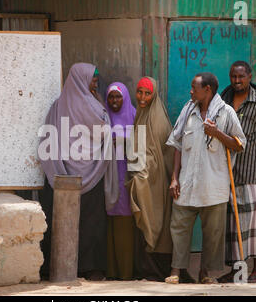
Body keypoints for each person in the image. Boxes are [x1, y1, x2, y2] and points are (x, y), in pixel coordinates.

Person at [38, 63, 119, 281]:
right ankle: (90, 268)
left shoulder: (57, 107)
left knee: (65, 219)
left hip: (61, 175)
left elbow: (47, 139)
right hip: (92, 173)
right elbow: (103, 133)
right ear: (81, 80)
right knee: (90, 221)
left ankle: (54, 267)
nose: (96, 82)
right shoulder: (94, 107)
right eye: (93, 78)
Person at [165, 72, 246, 284]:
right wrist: (174, 178)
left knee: (213, 234)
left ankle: (207, 274)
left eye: (194, 87)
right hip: (187, 183)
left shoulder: (226, 112)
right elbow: (177, 145)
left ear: (207, 90)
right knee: (179, 228)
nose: (191, 91)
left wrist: (217, 133)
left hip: (214, 186)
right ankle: (176, 271)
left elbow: (240, 144)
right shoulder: (187, 110)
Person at [218, 61, 256, 283]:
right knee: (233, 222)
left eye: (241, 77)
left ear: (250, 76)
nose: (237, 81)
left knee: (254, 221)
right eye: (233, 77)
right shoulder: (223, 101)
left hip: (253, 171)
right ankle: (237, 272)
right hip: (228, 171)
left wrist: (254, 157)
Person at [125, 77, 176, 281]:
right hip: (144, 177)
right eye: (139, 92)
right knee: (147, 221)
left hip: (155, 181)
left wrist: (142, 175)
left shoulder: (156, 118)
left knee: (155, 222)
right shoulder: (141, 114)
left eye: (147, 93)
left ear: (153, 95)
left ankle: (157, 271)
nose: (142, 97)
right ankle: (148, 270)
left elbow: (159, 155)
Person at [104, 82, 136, 280]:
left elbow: (142, 143)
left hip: (127, 175)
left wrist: (123, 141)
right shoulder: (103, 117)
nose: (114, 101)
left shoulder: (134, 115)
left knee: (125, 220)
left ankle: (126, 273)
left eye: (118, 97)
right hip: (107, 175)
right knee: (109, 223)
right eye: (111, 97)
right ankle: (111, 271)